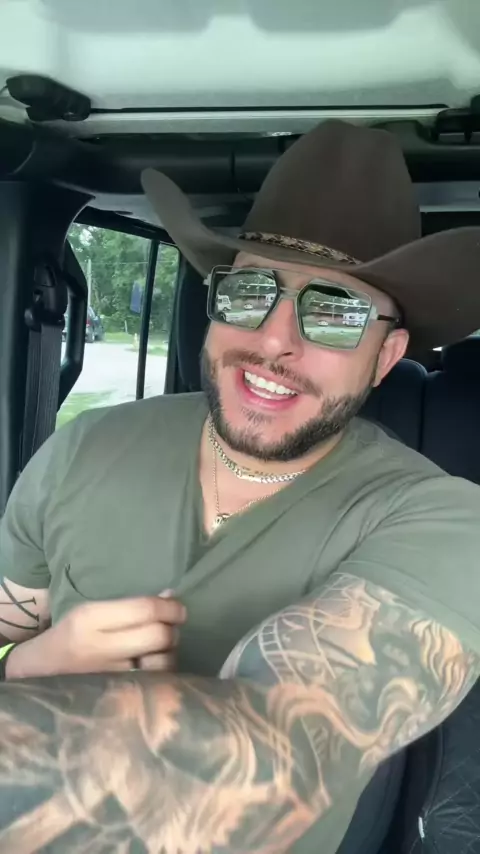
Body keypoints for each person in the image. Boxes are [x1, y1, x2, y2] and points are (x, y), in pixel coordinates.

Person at [1, 120, 480, 853]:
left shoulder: (445, 523)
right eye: (251, 291)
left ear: (386, 357)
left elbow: (266, 763)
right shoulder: (83, 448)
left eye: (334, 311)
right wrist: (25, 669)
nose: (274, 339)